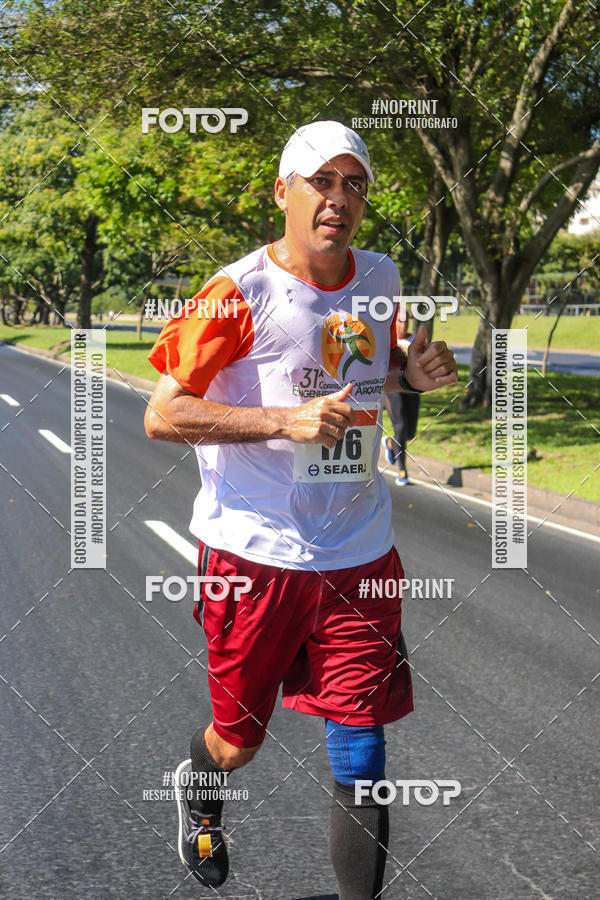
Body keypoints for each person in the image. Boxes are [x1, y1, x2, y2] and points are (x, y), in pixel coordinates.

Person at [144, 120, 457, 899]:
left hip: (358, 552)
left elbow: (355, 368)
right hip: (254, 558)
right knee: (237, 743)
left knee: (360, 748)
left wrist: (409, 375)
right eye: (323, 180)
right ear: (284, 191)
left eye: (355, 184)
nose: (339, 199)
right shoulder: (235, 292)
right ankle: (202, 785)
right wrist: (281, 420)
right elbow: (162, 414)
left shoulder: (380, 277)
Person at [382, 312, 421, 485]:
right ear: (394, 322)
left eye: (406, 321)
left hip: (412, 389)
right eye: (400, 321)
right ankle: (402, 471)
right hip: (392, 388)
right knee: (400, 426)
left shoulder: (416, 341)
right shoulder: (388, 340)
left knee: (409, 433)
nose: (403, 325)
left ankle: (390, 444)